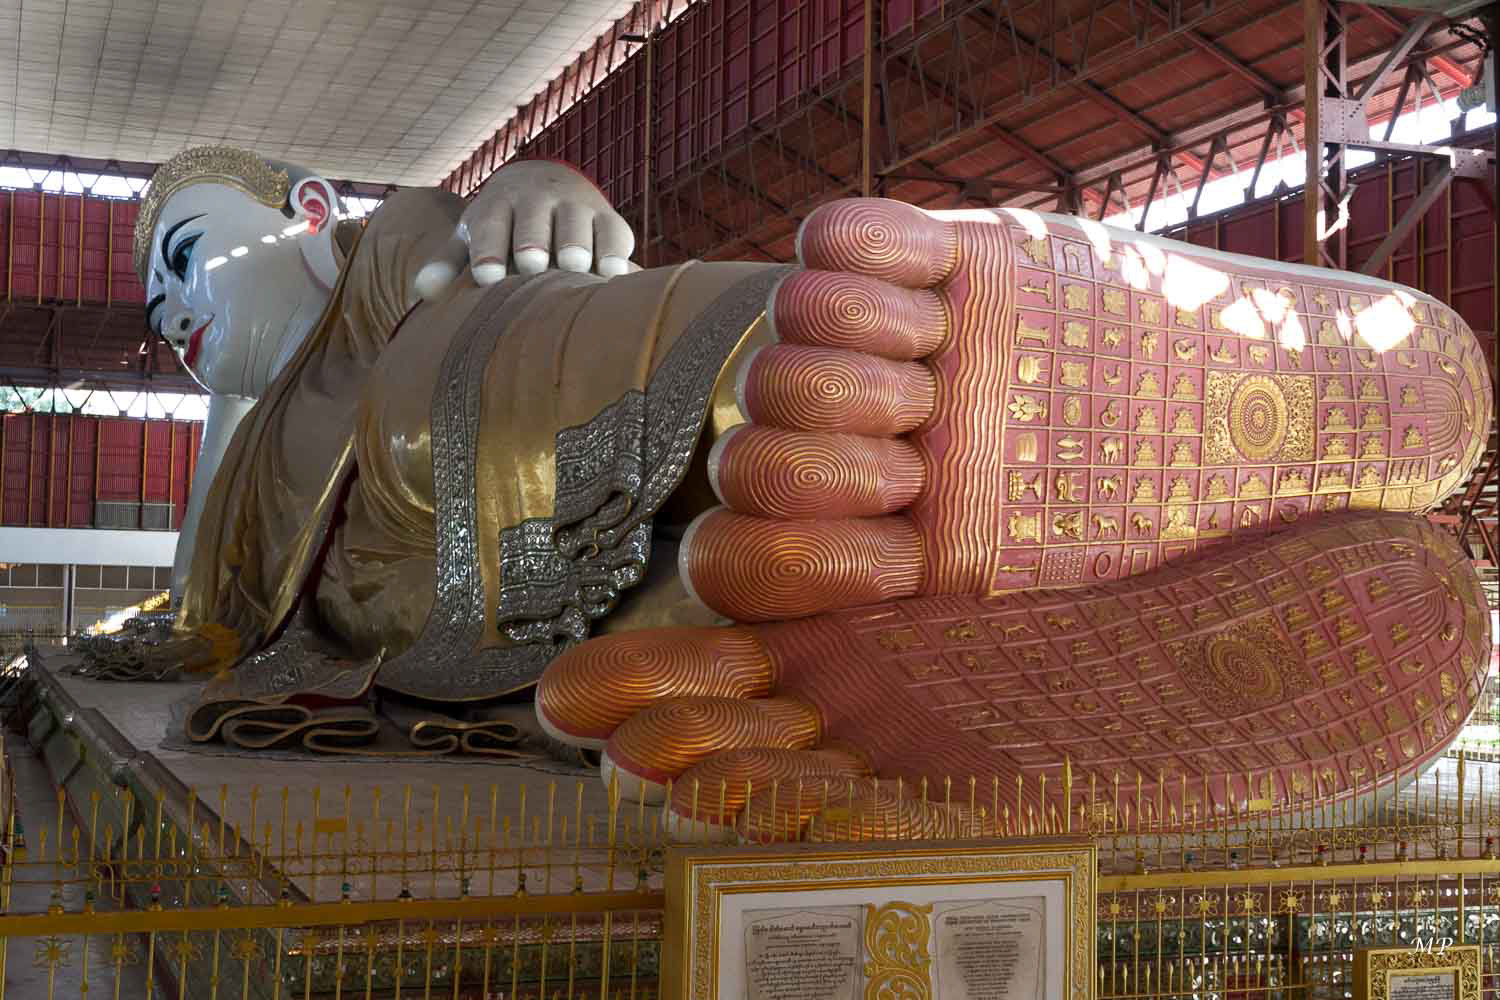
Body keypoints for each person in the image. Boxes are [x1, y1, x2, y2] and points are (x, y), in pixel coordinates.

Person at [131, 146, 1491, 829]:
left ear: (306, 208)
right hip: (451, 615)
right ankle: (904, 601)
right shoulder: (248, 467)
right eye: (152, 303)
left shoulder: (376, 261)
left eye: (184, 257)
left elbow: (458, 223)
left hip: (478, 379)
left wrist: (531, 186)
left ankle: (891, 372)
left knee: (546, 382)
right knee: (681, 626)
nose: (167, 310)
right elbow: (208, 617)